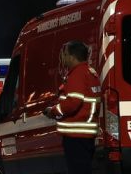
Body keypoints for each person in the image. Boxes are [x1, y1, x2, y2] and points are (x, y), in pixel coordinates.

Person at [43, 41, 100, 174]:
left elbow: (73, 102)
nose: (63, 58)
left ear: (72, 57)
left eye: (65, 54)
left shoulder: (77, 74)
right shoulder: (90, 72)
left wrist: (53, 111)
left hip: (76, 135)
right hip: (85, 133)